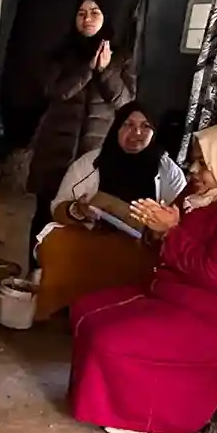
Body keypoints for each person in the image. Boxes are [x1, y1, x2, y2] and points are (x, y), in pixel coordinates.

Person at [67, 121, 217, 433]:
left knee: (110, 337)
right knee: (85, 309)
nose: (193, 170)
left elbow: (215, 272)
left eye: (205, 163)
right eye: (194, 160)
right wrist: (154, 227)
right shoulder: (205, 193)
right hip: (174, 295)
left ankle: (150, 417)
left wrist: (171, 232)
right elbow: (164, 240)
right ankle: (114, 406)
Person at [34, 102, 186, 321]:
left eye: (145, 126)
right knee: (56, 242)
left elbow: (179, 217)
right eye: (128, 125)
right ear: (116, 128)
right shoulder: (91, 163)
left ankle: (124, 316)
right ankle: (62, 308)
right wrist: (77, 211)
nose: (137, 133)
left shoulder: (168, 170)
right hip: (94, 235)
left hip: (140, 244)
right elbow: (59, 206)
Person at [26, 0, 135, 261]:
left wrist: (107, 70)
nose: (87, 19)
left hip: (93, 153)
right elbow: (56, 92)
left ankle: (70, 276)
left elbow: (125, 101)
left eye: (94, 12)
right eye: (81, 13)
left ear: (105, 18)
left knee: (87, 215)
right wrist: (88, 70)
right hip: (55, 148)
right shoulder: (60, 54)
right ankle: (36, 273)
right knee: (46, 213)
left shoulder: (122, 56)